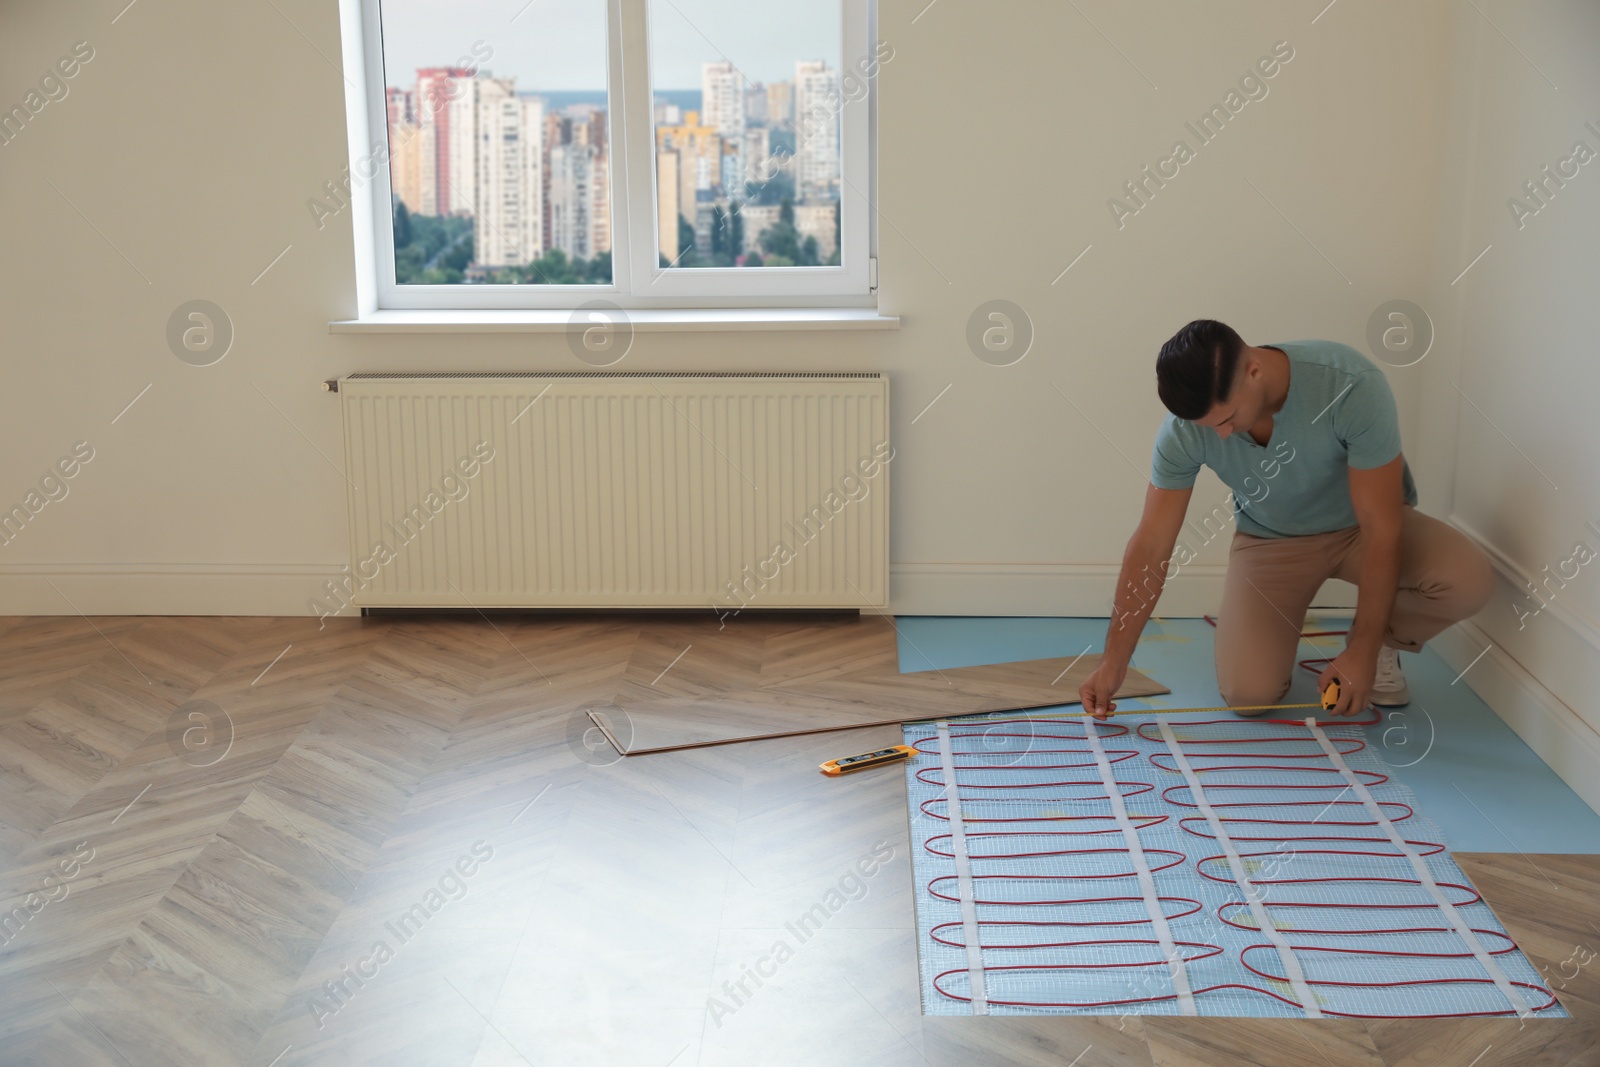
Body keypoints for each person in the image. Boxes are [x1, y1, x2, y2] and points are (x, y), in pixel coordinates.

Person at [1078, 319, 1494, 720]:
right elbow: (1151, 544)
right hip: (1271, 540)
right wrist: (1114, 662)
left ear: (1254, 370)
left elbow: (1382, 529)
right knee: (1248, 696)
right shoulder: (1185, 432)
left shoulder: (1350, 384)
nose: (1221, 435)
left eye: (1226, 420)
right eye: (1209, 426)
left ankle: (1381, 642)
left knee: (1466, 579)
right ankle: (1281, 638)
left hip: (1361, 529)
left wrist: (1362, 649)